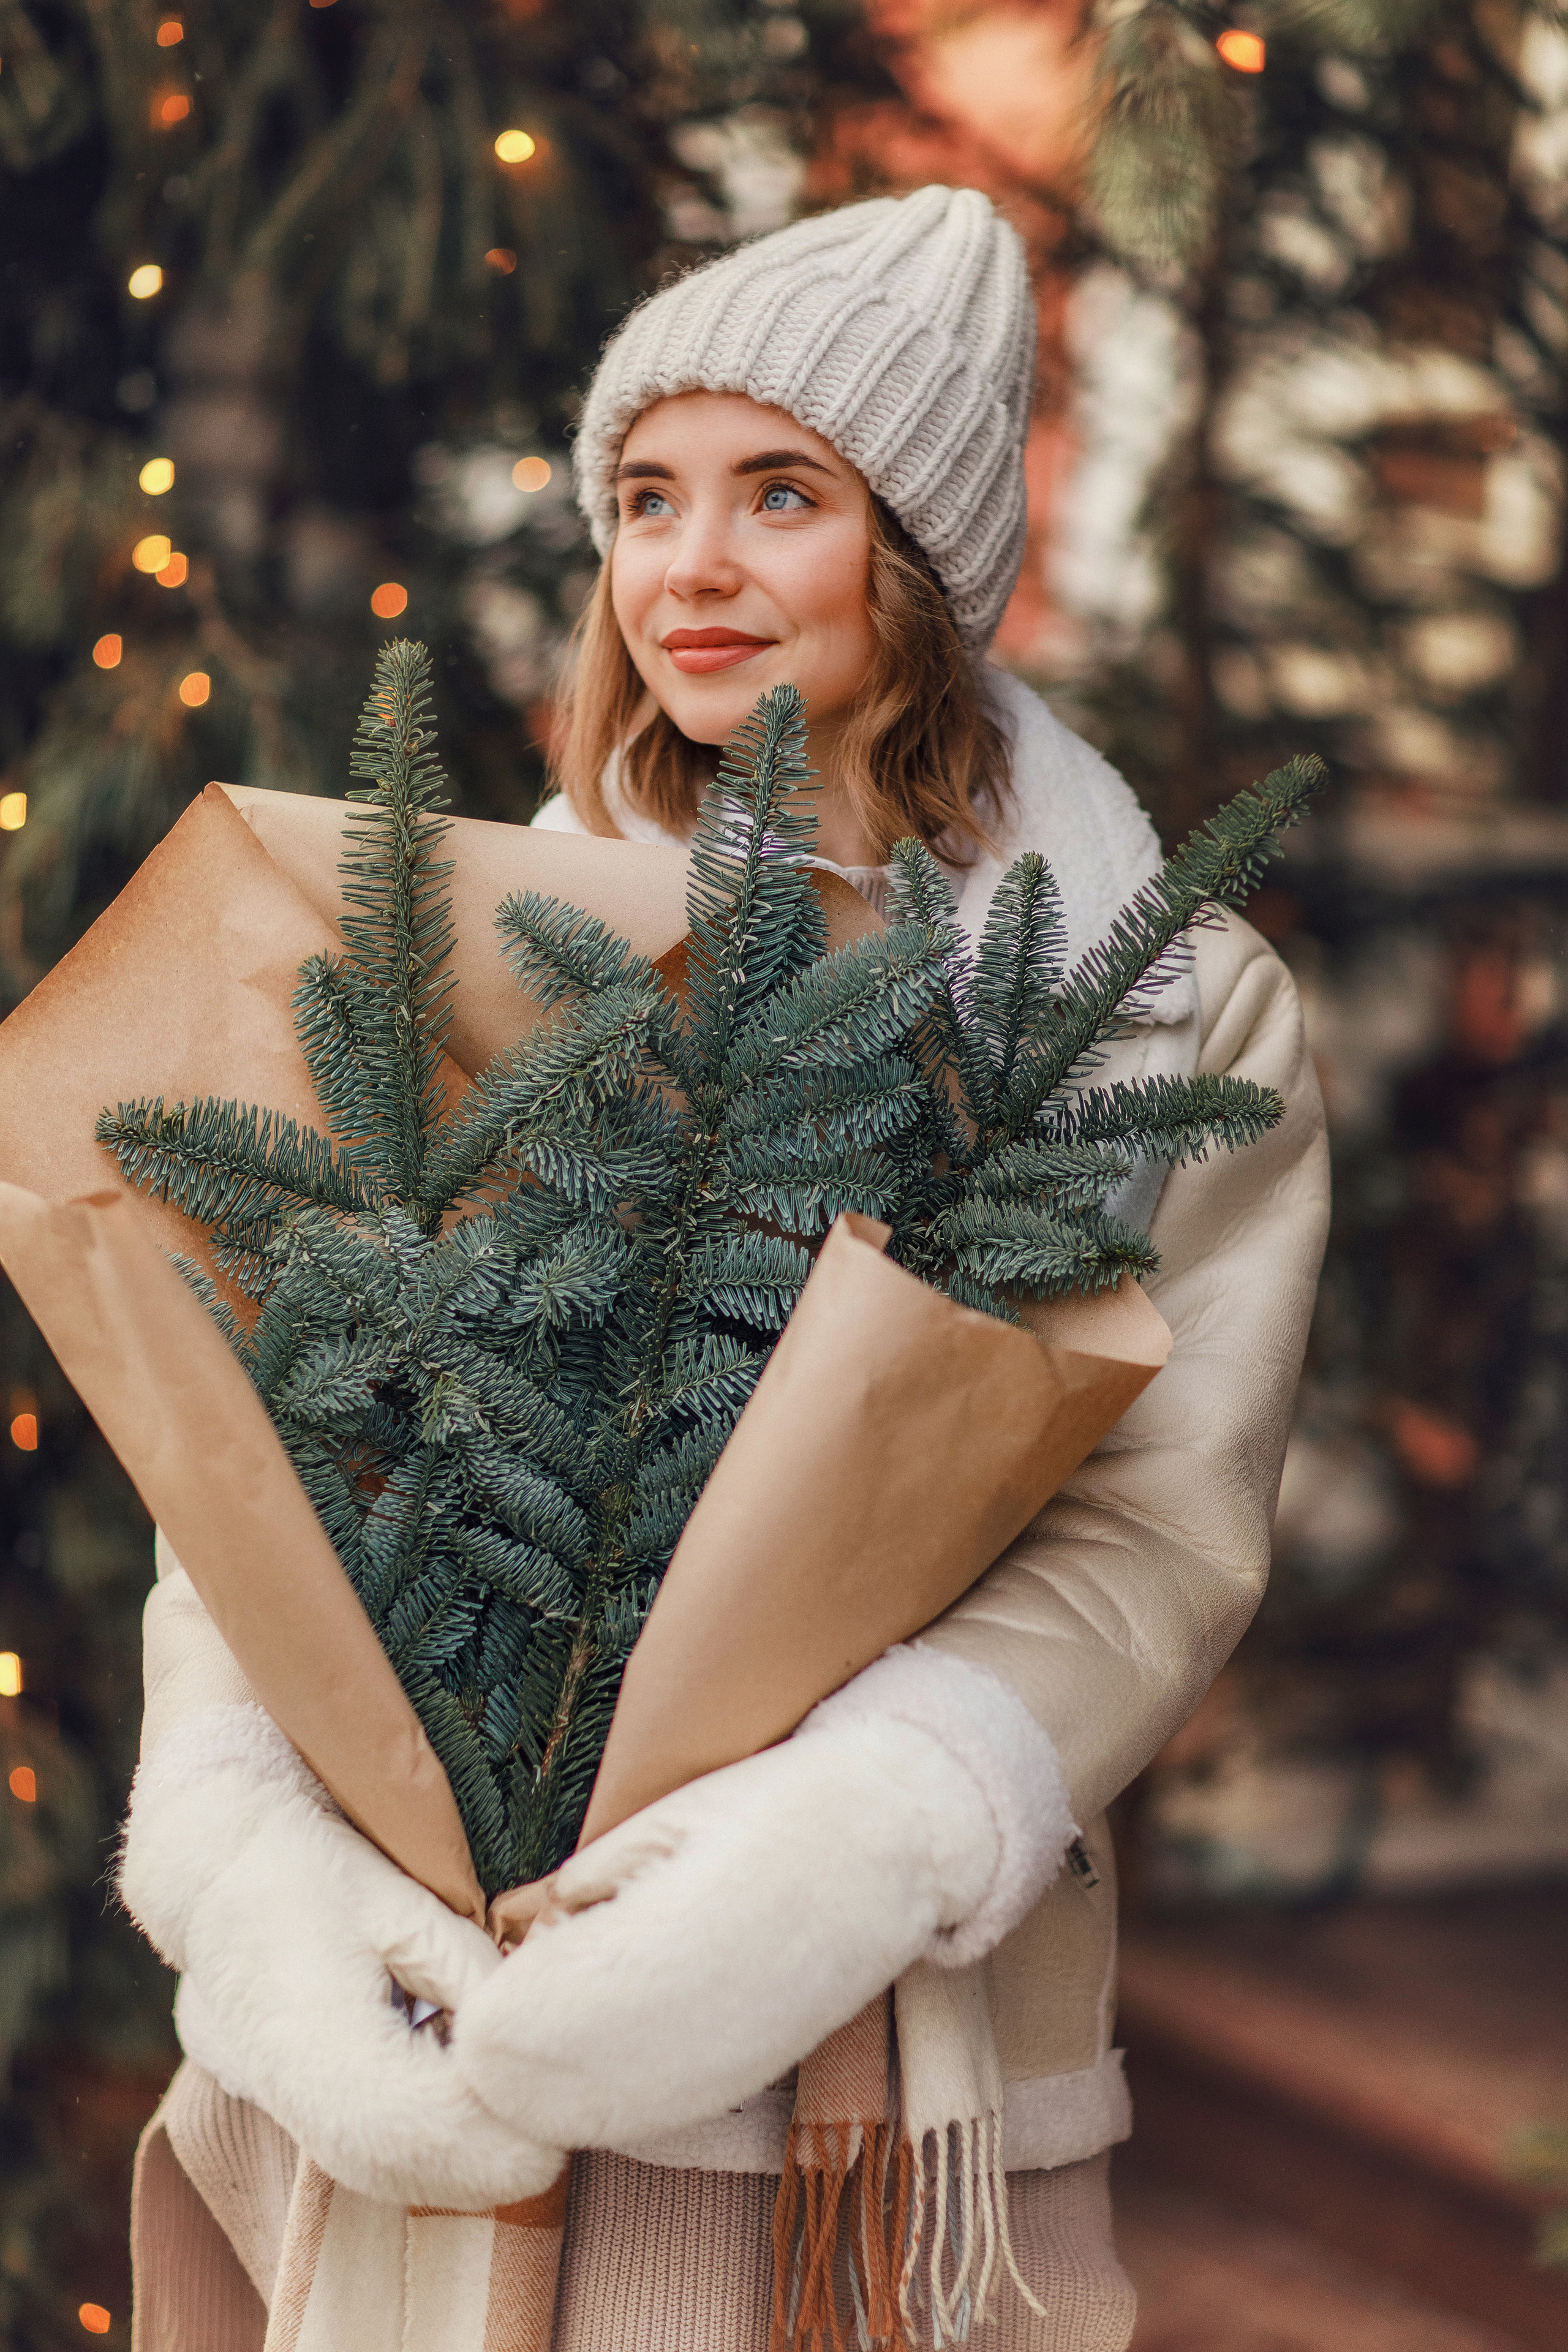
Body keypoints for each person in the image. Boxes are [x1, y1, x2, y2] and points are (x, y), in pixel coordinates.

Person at [122, 187, 1329, 2352]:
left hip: (860, 2117)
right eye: (649, 496)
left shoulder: (1164, 1013)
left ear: (924, 553)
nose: (691, 565)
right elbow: (270, 1444)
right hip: (424, 2051)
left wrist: (845, 1853)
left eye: (785, 494)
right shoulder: (478, 942)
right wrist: (246, 1868)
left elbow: (1158, 1534)